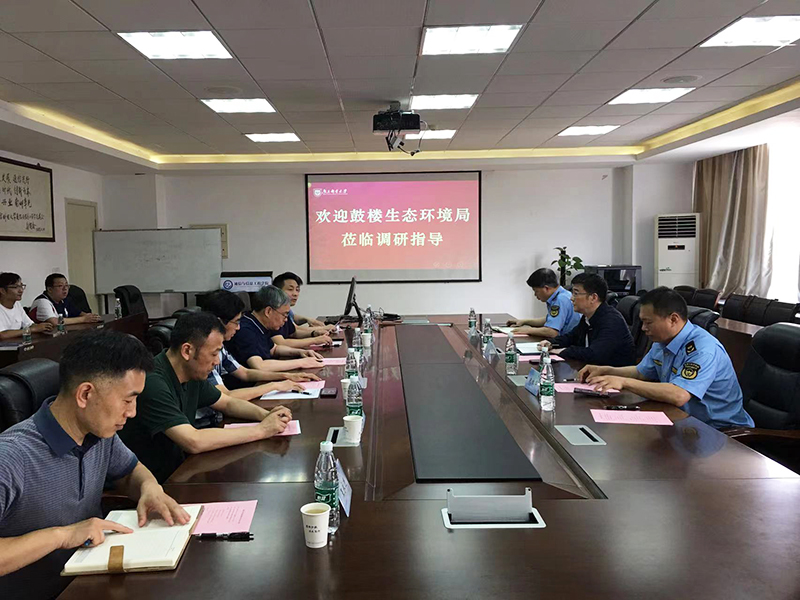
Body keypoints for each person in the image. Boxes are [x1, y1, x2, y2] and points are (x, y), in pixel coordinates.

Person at [0, 329, 189, 599]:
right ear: (85, 394)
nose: (132, 412)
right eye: (127, 400)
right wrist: (63, 536)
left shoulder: (100, 434)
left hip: (93, 582)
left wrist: (150, 488)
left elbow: (130, 472)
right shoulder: (10, 457)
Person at [119, 312, 293, 483]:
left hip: (181, 470)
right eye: (214, 353)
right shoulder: (153, 382)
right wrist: (262, 430)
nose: (217, 362)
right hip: (155, 483)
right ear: (187, 351)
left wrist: (266, 415)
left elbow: (227, 403)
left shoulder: (191, 373)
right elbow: (193, 441)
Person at [580, 287, 755, 430]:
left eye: (648, 322)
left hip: (719, 430)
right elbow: (641, 373)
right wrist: (606, 370)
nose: (643, 328)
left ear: (673, 319)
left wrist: (624, 382)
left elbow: (679, 395)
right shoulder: (663, 341)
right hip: (684, 420)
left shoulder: (703, 349)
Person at [202, 289, 320, 401]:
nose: (238, 327)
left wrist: (286, 376)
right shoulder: (204, 354)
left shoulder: (222, 348)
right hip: (237, 395)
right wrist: (275, 385)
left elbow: (246, 372)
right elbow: (227, 396)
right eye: (236, 322)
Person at [540, 273, 635, 366]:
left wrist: (563, 351)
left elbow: (594, 354)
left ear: (593, 298)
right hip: (594, 369)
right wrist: (552, 343)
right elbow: (572, 336)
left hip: (614, 373)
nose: (571, 298)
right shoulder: (588, 316)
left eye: (576, 293)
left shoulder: (611, 320)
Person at [226, 285, 325, 373]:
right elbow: (260, 366)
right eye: (284, 315)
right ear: (268, 311)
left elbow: (274, 349)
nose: (286, 320)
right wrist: (301, 363)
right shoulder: (245, 330)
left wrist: (300, 352)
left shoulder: (259, 323)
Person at [507, 268, 581, 338]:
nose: (535, 295)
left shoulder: (560, 299)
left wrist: (528, 330)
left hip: (570, 343)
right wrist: (524, 321)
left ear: (546, 288)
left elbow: (552, 332)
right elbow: (551, 320)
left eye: (536, 291)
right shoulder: (563, 294)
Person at [270, 272, 333, 349]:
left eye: (297, 290)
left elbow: (294, 332)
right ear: (277, 291)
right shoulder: (273, 312)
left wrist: (314, 333)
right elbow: (281, 343)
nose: (295, 294)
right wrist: (315, 340)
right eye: (290, 289)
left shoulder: (284, 311)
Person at [29, 273, 102, 325]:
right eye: (60, 286)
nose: (65, 289)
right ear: (50, 289)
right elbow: (55, 322)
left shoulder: (64, 300)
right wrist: (84, 319)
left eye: (66, 285)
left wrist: (92, 317)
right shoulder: (42, 301)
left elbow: (79, 314)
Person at [0, 272, 54, 338]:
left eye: (21, 286)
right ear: (2, 291)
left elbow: (29, 324)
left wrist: (42, 327)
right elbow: (2, 335)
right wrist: (33, 329)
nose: (21, 290)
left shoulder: (17, 305)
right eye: (15, 287)